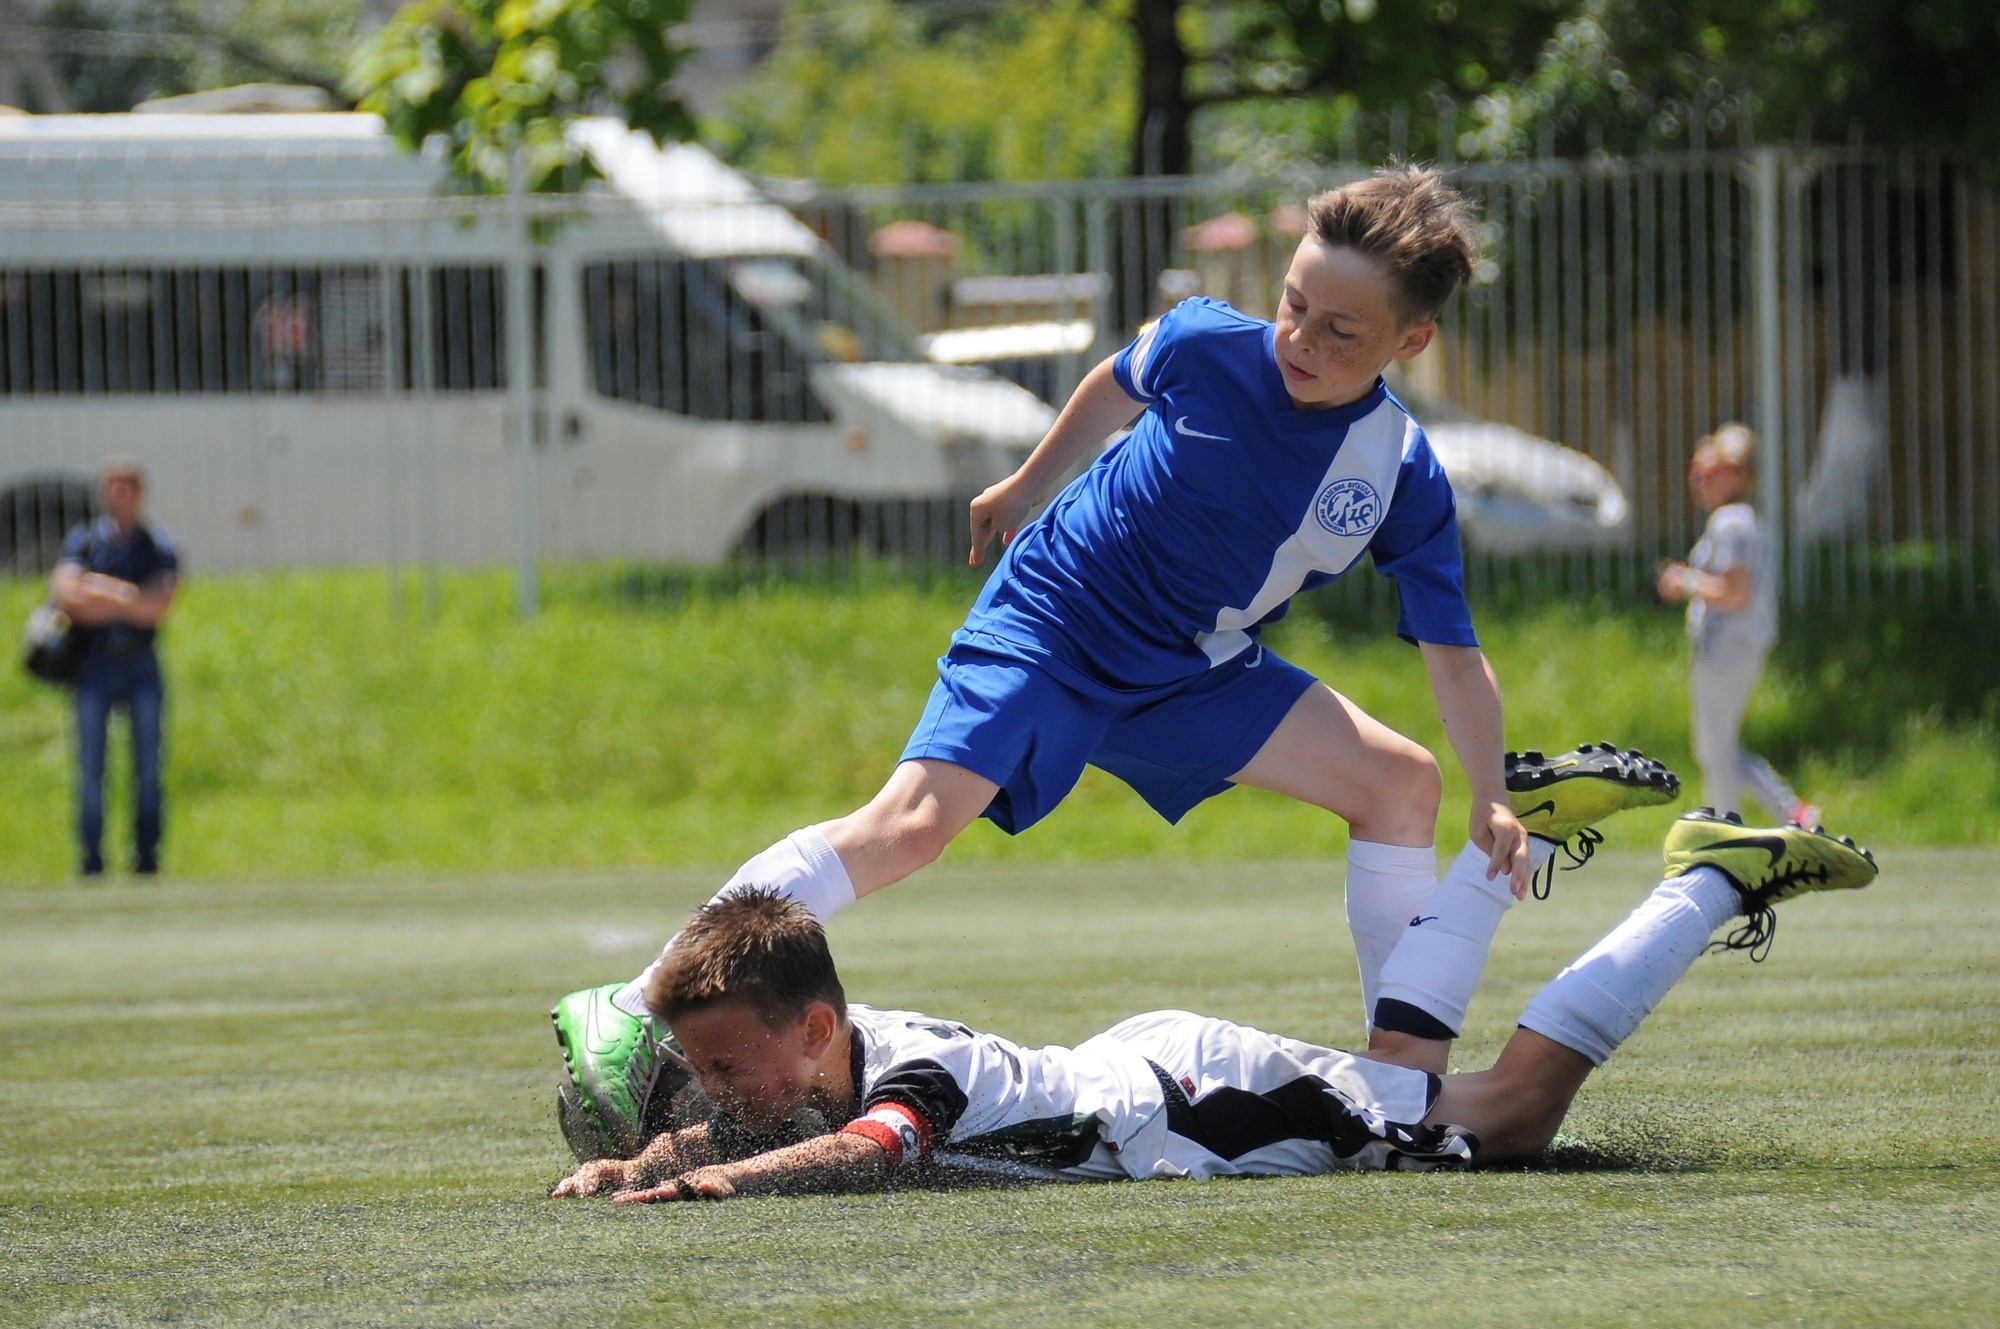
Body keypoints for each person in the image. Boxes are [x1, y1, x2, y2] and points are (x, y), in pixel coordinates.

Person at [553, 164, 1663, 1158]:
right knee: (911, 826)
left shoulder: (1398, 472)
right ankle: (641, 1004)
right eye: (1293, 304)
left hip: (1192, 666)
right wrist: (1025, 483)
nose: (1299, 340)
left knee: (1400, 783)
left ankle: (1401, 1092)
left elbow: (1454, 655)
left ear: (1409, 343)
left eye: (1340, 331)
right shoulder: (1205, 341)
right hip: (1058, 616)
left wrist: (1487, 793)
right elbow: (1114, 385)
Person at [549, 810, 1876, 1202]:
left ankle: (1708, 877)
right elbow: (759, 1127)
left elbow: (863, 1151)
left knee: (1507, 1114)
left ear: (815, 1029)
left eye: (728, 1064)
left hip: (1198, 1106)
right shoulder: (816, 1061)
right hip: (1157, 1080)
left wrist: (714, 1184)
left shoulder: (908, 1073)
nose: (717, 1093)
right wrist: (633, 1163)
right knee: (1411, 1069)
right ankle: (1500, 845)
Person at [1656, 424, 1817, 827]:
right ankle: (1790, 813)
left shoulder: (1730, 522)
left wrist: (1683, 581)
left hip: (1729, 644)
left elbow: (1735, 592)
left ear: (1738, 477)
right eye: (1696, 471)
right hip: (1738, 644)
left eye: (1711, 472)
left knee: (1715, 749)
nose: (1699, 480)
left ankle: (1729, 830)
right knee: (1715, 747)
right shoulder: (1740, 521)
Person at [48, 457, 180, 877]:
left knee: (148, 768)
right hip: (93, 665)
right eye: (113, 486)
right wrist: (129, 597)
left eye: (128, 486)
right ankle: (91, 859)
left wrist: (101, 590)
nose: (120, 494)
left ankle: (146, 857)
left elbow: (157, 607)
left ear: (140, 493)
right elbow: (67, 594)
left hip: (140, 665)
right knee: (90, 768)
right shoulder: (85, 540)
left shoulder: (157, 544)